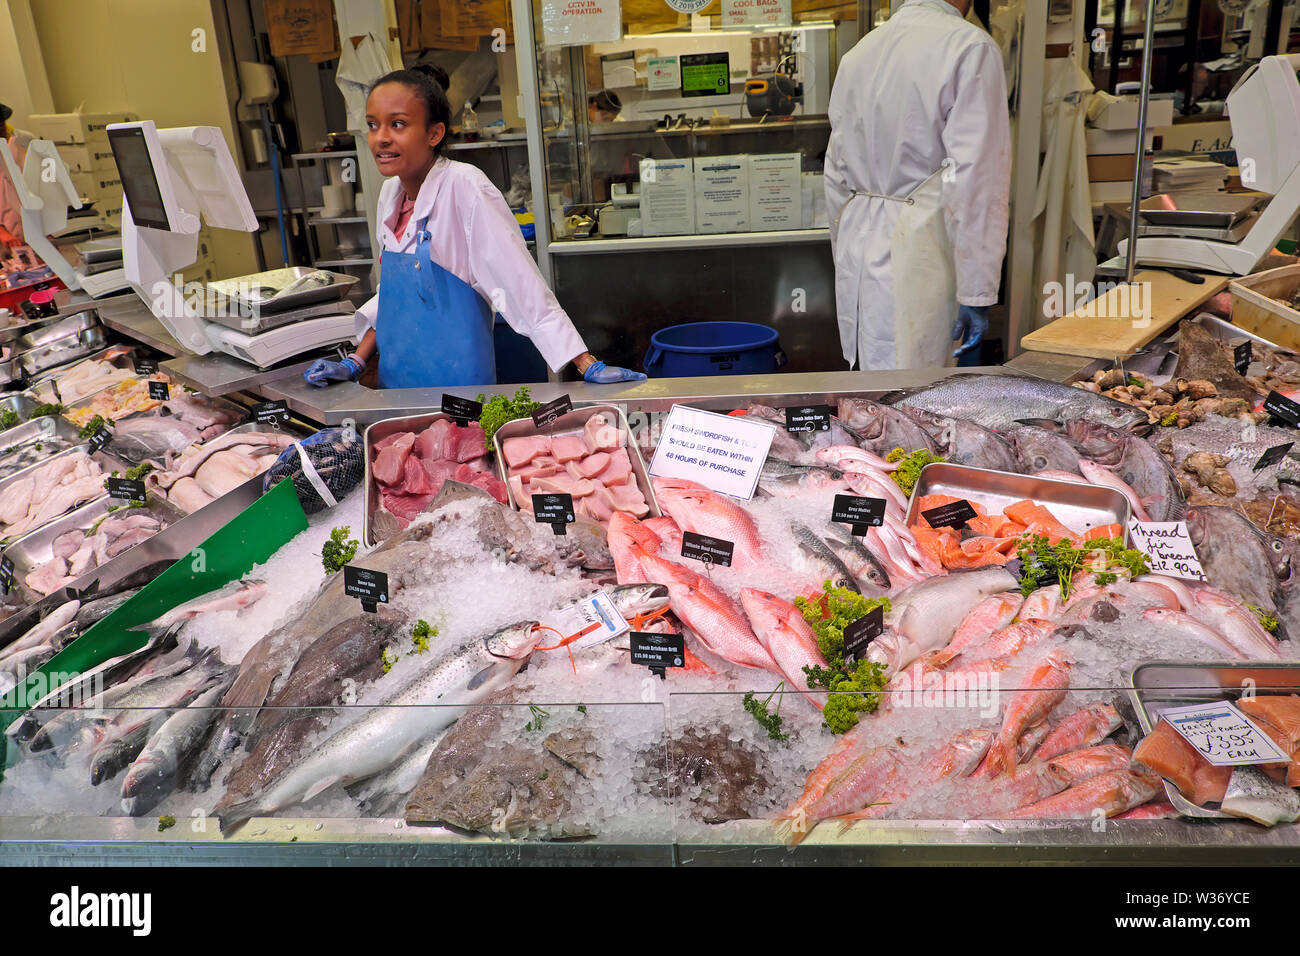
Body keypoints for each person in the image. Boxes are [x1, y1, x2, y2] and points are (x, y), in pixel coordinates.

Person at [304, 65, 644, 388]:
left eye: (398, 124)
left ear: (434, 133)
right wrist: (355, 363)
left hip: (459, 392)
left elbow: (520, 283)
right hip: (399, 387)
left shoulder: (465, 187)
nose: (381, 138)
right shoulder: (390, 194)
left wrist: (586, 363)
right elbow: (393, 299)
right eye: (373, 125)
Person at [825, 0, 1010, 371]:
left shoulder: (859, 53)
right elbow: (976, 177)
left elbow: (835, 176)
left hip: (861, 251)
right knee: (919, 399)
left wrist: (846, 259)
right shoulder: (969, 47)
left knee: (875, 391)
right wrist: (977, 289)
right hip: (924, 251)